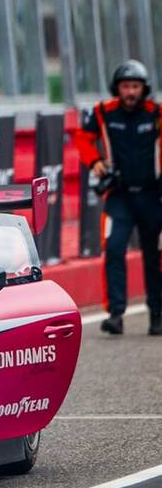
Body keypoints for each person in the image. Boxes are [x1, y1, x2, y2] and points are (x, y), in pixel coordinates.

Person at [73, 59, 162, 336]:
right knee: (113, 249)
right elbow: (82, 139)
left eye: (135, 86)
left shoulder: (156, 113)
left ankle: (157, 315)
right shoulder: (102, 112)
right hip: (118, 195)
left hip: (153, 195)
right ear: (117, 88)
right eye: (126, 87)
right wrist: (96, 162)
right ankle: (115, 314)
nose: (131, 92)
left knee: (155, 255)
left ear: (144, 88)